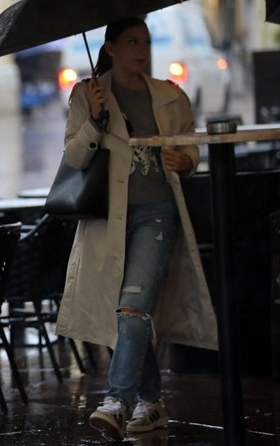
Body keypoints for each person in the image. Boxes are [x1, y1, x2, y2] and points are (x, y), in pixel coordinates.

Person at [54, 16, 218, 441]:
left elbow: (188, 146)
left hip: (158, 217)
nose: (141, 50)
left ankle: (117, 400)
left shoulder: (170, 96)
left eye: (145, 41)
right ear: (110, 47)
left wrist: (187, 162)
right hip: (108, 221)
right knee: (129, 313)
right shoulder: (87, 95)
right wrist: (94, 118)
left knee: (131, 308)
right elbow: (74, 158)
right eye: (131, 42)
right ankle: (151, 402)